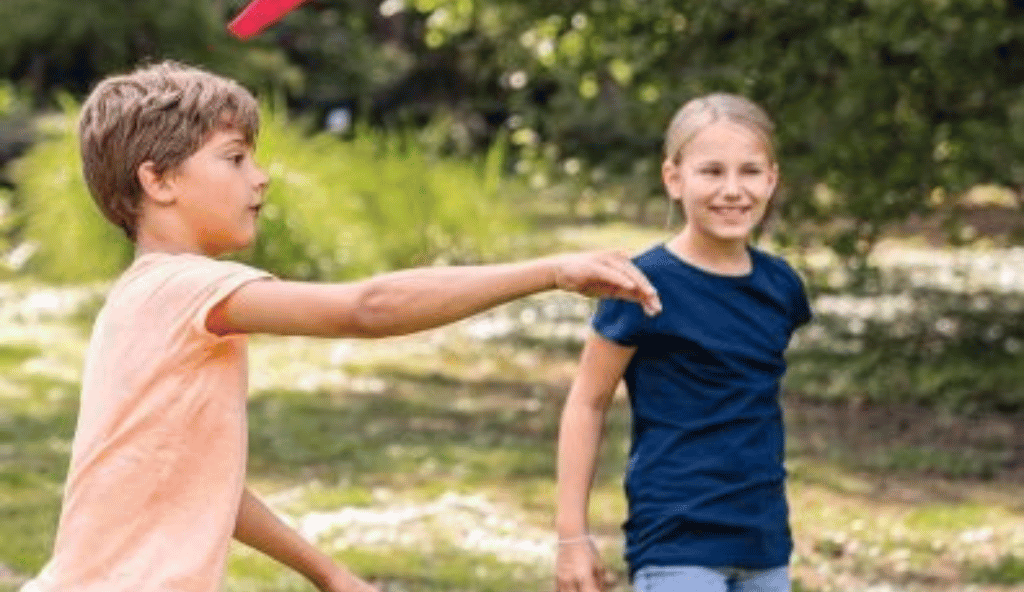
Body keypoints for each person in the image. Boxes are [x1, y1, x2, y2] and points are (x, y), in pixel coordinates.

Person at [23, 61, 662, 592]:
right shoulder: (181, 288)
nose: (261, 176)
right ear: (157, 181)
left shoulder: (145, 299)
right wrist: (550, 270)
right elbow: (368, 309)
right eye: (236, 158)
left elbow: (199, 484)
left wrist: (329, 574)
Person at [555, 93, 812, 592]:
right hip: (676, 541)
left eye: (750, 172)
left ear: (773, 179)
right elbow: (586, 403)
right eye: (712, 172)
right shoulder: (638, 284)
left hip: (764, 542)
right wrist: (571, 536)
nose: (733, 190)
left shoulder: (781, 287)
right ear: (674, 179)